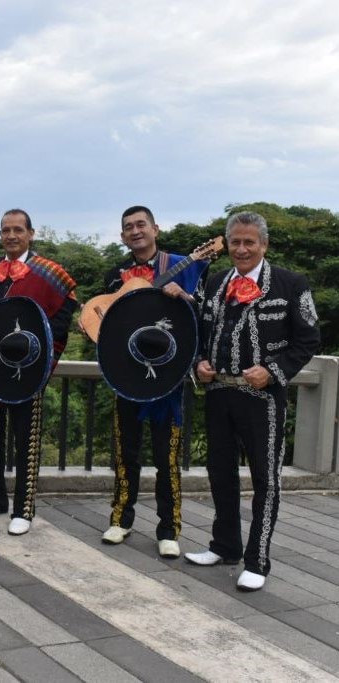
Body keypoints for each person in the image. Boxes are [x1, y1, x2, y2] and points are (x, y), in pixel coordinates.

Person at [185, 211, 319, 591]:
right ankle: (225, 545)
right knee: (220, 472)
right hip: (218, 394)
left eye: (249, 242)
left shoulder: (291, 284)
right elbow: (198, 333)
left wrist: (274, 370)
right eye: (235, 242)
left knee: (265, 478)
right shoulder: (214, 283)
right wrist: (200, 363)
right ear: (227, 245)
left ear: (264, 244)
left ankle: (257, 560)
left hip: (263, 398)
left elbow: (308, 339)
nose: (242, 249)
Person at [97, 206, 206, 558]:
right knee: (125, 452)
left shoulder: (182, 265)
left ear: (155, 228)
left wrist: (184, 296)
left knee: (166, 456)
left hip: (167, 377)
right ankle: (120, 519)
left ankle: (168, 529)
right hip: (126, 374)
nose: (135, 230)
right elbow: (106, 322)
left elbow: (205, 314)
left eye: (141, 224)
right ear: (122, 235)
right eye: (127, 226)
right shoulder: (116, 274)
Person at [0, 209, 78, 535]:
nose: (11, 236)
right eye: (5, 230)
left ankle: (23, 510)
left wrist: (30, 341)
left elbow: (61, 320)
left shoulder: (49, 273)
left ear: (30, 233)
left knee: (25, 440)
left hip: (28, 367)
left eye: (17, 230)